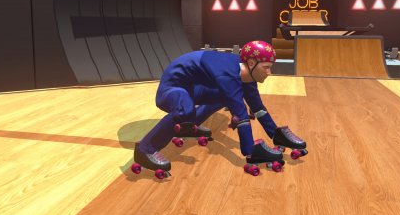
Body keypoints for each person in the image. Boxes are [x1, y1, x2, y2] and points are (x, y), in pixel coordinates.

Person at [132, 40, 308, 178]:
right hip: (171, 90)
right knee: (186, 109)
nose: (269, 73)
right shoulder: (227, 75)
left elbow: (258, 108)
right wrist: (250, 151)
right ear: (252, 62)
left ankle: (188, 125)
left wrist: (275, 135)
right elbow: (240, 113)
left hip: (192, 87)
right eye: (266, 68)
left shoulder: (247, 74)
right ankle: (144, 150)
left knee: (223, 97)